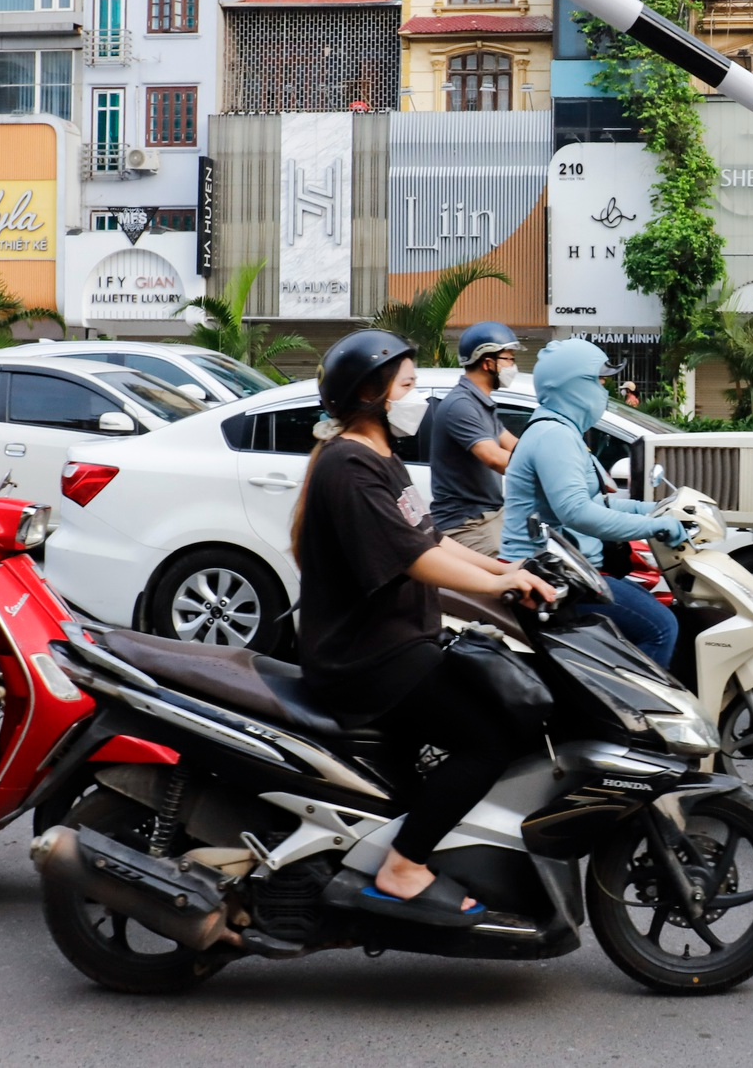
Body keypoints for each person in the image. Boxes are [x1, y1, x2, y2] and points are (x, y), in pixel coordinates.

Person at [291, 329, 553, 926]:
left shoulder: (378, 456)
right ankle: (403, 865)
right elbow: (412, 559)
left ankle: (404, 842)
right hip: (366, 657)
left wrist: (507, 568)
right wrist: (499, 585)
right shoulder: (351, 465)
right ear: (372, 394)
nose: (418, 399)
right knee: (489, 737)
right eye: (407, 385)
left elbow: (430, 537)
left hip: (396, 641)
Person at [501, 339, 686, 668]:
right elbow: (577, 513)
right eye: (600, 382)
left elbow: (598, 502)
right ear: (574, 385)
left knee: (656, 606)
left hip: (570, 571)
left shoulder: (562, 432)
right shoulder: (553, 436)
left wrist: (656, 511)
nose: (605, 392)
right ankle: (639, 714)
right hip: (550, 578)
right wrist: (654, 526)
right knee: (661, 627)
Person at [427, 322, 521, 556]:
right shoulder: (461, 405)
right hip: (466, 524)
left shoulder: (480, 403)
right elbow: (494, 458)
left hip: (488, 517)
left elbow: (516, 446)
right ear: (488, 363)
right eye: (508, 359)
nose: (513, 366)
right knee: (514, 582)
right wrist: (539, 471)